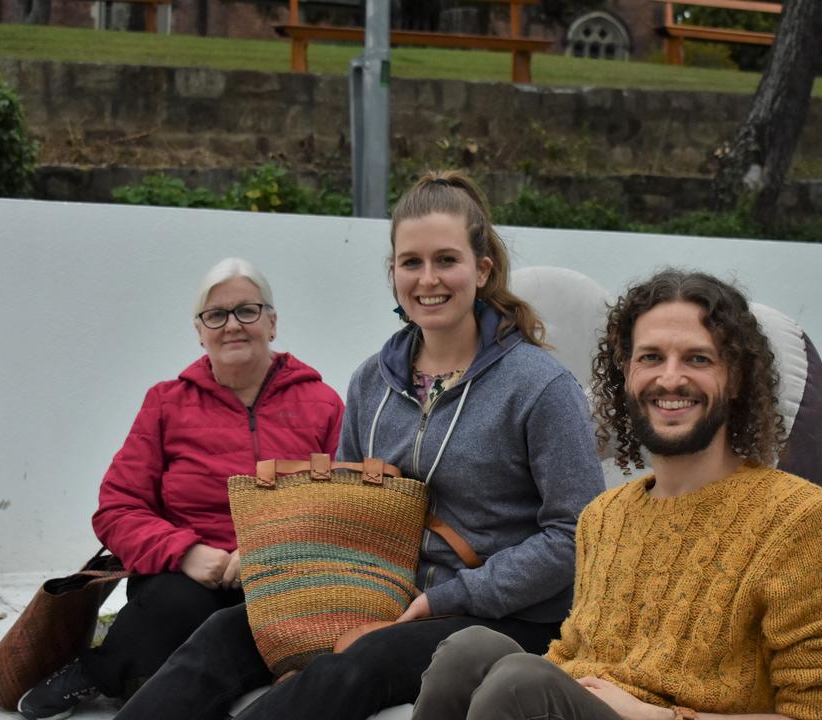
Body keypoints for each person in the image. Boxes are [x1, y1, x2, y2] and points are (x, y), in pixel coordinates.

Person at [111, 171, 606, 720]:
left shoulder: (539, 386)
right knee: (226, 632)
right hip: (381, 593)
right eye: (411, 262)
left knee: (354, 666)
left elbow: (573, 536)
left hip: (505, 617)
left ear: (481, 269)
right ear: (393, 272)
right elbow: (342, 508)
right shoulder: (373, 380)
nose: (428, 279)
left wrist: (449, 597)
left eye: (447, 260)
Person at [411, 269, 822, 720]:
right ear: (625, 376)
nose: (670, 379)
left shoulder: (800, 520)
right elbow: (572, 656)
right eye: (651, 358)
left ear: (735, 379)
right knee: (470, 650)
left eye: (698, 359)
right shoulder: (604, 516)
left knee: (520, 683)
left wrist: (659, 716)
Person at [17, 258, 344, 720]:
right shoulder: (166, 403)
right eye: (217, 315)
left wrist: (273, 555)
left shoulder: (322, 404)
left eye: (247, 311)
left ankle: (136, 670)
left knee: (265, 621)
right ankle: (106, 671)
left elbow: (345, 505)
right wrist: (188, 553)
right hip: (186, 578)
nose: (233, 325)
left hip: (283, 577)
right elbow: (116, 508)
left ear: (272, 323)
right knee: (178, 606)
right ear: (199, 331)